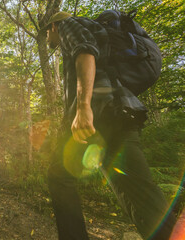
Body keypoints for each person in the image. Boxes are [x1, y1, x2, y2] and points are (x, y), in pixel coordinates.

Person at [46, 11, 177, 240]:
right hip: (120, 113)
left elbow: (84, 51)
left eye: (47, 30)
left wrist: (83, 106)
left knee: (59, 175)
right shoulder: (99, 32)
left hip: (98, 113)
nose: (48, 35)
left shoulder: (68, 25)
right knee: (139, 193)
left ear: (54, 26)